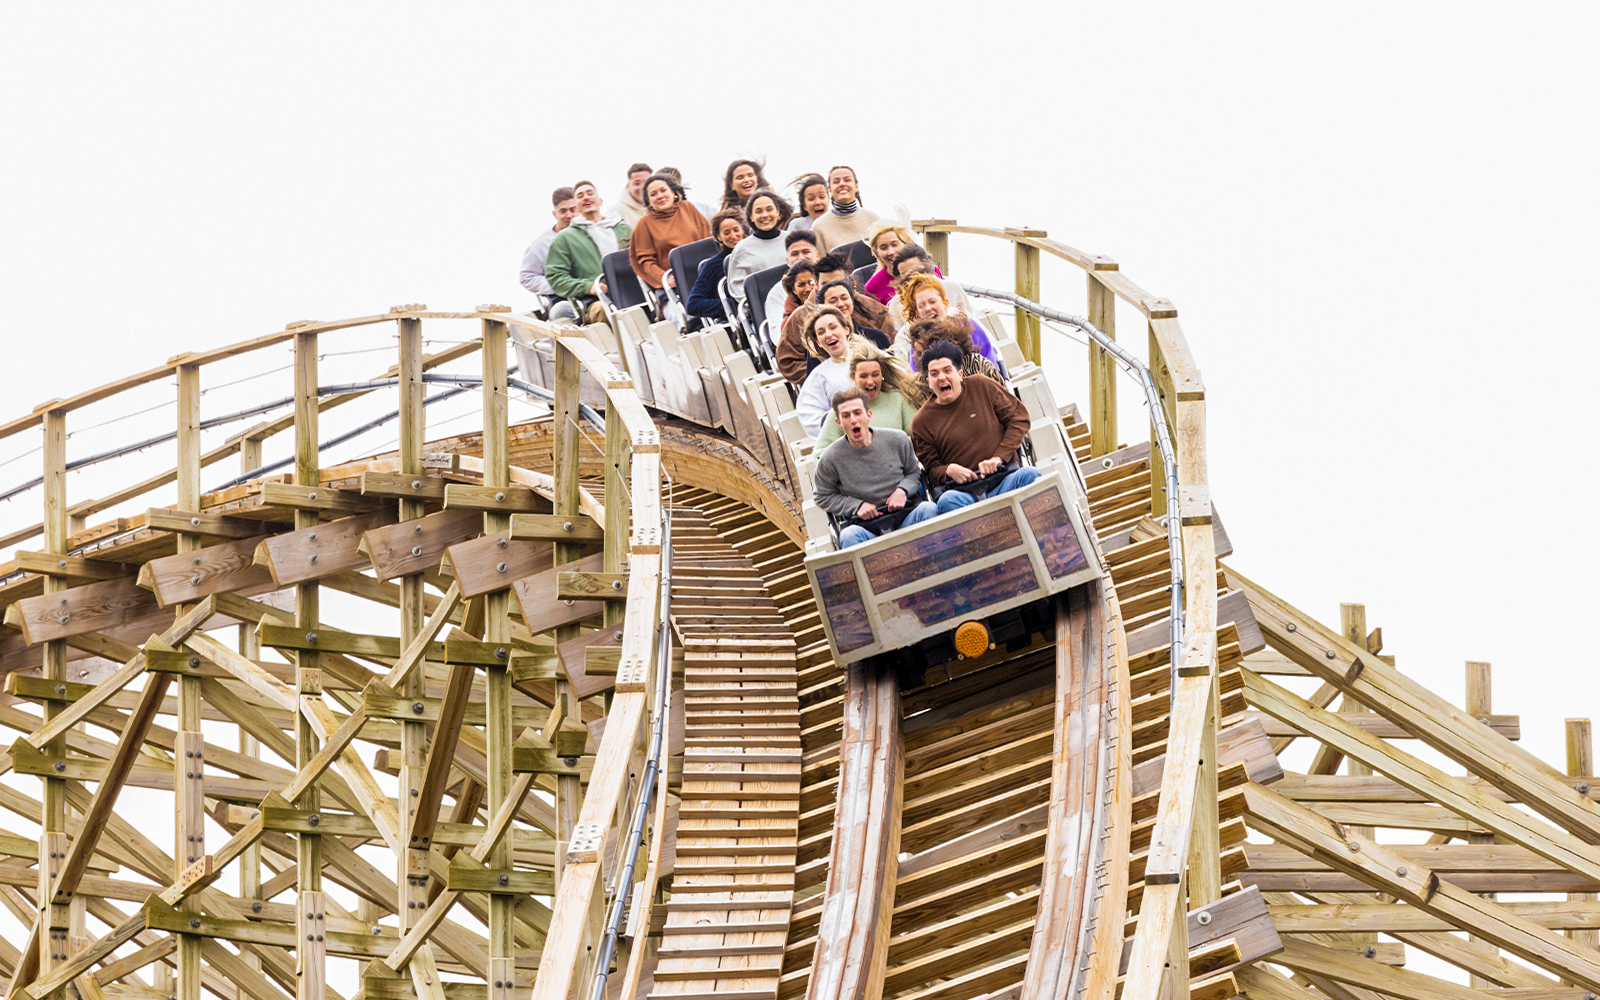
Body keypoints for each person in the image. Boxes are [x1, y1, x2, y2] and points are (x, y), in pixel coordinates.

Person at [911, 341, 1040, 513]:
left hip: (1005, 478)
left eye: (947, 371)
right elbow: (932, 470)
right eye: (934, 374)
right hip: (965, 495)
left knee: (1031, 475)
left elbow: (1019, 418)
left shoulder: (982, 386)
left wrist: (998, 458)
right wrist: (949, 470)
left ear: (960, 374)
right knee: (946, 501)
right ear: (929, 382)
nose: (941, 377)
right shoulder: (921, 422)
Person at [813, 387, 940, 548]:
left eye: (857, 413)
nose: (853, 420)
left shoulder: (897, 439)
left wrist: (903, 490)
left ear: (868, 415)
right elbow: (822, 496)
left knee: (928, 509)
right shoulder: (830, 458)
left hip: (906, 513)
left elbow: (914, 473)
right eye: (846, 416)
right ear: (838, 422)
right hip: (866, 527)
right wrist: (856, 506)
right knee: (848, 535)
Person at [777, 253, 887, 384]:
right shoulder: (800, 318)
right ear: (816, 284)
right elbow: (788, 362)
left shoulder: (869, 307)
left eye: (838, 282)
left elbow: (891, 342)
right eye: (826, 284)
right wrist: (825, 376)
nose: (832, 288)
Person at [545, 180, 632, 324]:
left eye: (590, 193)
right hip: (594, 301)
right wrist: (589, 286)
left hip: (630, 292)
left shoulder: (623, 228)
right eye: (580, 195)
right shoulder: (565, 238)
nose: (586, 197)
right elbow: (556, 278)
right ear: (577, 206)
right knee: (604, 309)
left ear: (600, 200)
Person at [815, 347, 923, 448]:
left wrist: (895, 449)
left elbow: (920, 437)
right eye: (863, 376)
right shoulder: (842, 408)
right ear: (853, 378)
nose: (870, 381)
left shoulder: (899, 400)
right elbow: (820, 454)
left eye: (875, 374)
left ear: (882, 376)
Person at [898, 273, 1004, 371]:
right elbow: (917, 376)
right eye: (921, 306)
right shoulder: (918, 342)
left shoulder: (968, 326)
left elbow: (990, 360)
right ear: (918, 313)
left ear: (945, 303)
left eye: (932, 302)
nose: (928, 308)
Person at [628, 172, 710, 293]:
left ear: (673, 193)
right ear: (649, 201)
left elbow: (708, 240)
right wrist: (664, 278)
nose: (660, 196)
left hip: (703, 275)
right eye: (653, 194)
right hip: (674, 287)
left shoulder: (688, 208)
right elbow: (645, 262)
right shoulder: (644, 224)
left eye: (663, 190)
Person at [794, 306, 860, 436]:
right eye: (821, 332)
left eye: (833, 327)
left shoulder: (874, 358)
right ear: (818, 342)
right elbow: (810, 418)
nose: (828, 334)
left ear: (846, 329)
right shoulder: (819, 377)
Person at [725, 189, 794, 309]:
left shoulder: (791, 239)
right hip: (764, 309)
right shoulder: (742, 249)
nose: (765, 215)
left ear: (777, 213)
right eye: (759, 211)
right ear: (751, 217)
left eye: (769, 209)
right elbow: (738, 290)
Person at [518, 186, 580, 320]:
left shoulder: (591, 233)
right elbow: (526, 276)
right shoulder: (541, 245)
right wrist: (556, 285)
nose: (569, 215)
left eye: (573, 210)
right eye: (563, 211)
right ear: (555, 214)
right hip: (563, 300)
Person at [884, 244, 971, 338]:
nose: (913, 278)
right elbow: (902, 341)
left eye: (916, 271)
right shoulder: (896, 304)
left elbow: (970, 325)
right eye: (905, 274)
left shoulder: (952, 289)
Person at [686, 209, 746, 323]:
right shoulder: (712, 265)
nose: (733, 236)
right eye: (727, 233)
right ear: (719, 237)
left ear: (742, 230)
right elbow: (693, 304)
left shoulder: (755, 253)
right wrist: (731, 304)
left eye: (736, 230)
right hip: (737, 320)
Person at [909, 317, 1006, 387]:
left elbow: (1005, 401)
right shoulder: (921, 383)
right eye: (919, 353)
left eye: (926, 351)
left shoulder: (977, 364)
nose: (923, 358)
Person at [811, 165, 881, 253]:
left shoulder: (874, 220)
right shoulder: (818, 227)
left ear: (856, 186)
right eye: (836, 182)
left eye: (847, 180)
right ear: (829, 189)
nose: (842, 184)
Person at [762, 230, 819, 335]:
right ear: (788, 261)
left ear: (817, 256)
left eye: (806, 252)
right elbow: (778, 336)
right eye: (795, 254)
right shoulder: (776, 293)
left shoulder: (830, 278)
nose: (801, 257)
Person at [818, 279, 891, 351]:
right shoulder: (822, 345)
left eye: (844, 298)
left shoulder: (875, 337)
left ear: (852, 301)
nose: (841, 304)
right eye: (833, 301)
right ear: (822, 306)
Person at [860, 221, 919, 304]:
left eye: (894, 244)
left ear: (907, 245)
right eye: (884, 248)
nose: (890, 252)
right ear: (877, 253)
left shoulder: (930, 270)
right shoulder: (872, 287)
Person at [615, 162, 652, 228]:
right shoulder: (616, 212)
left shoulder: (657, 208)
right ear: (628, 186)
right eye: (637, 183)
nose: (643, 187)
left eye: (647, 183)